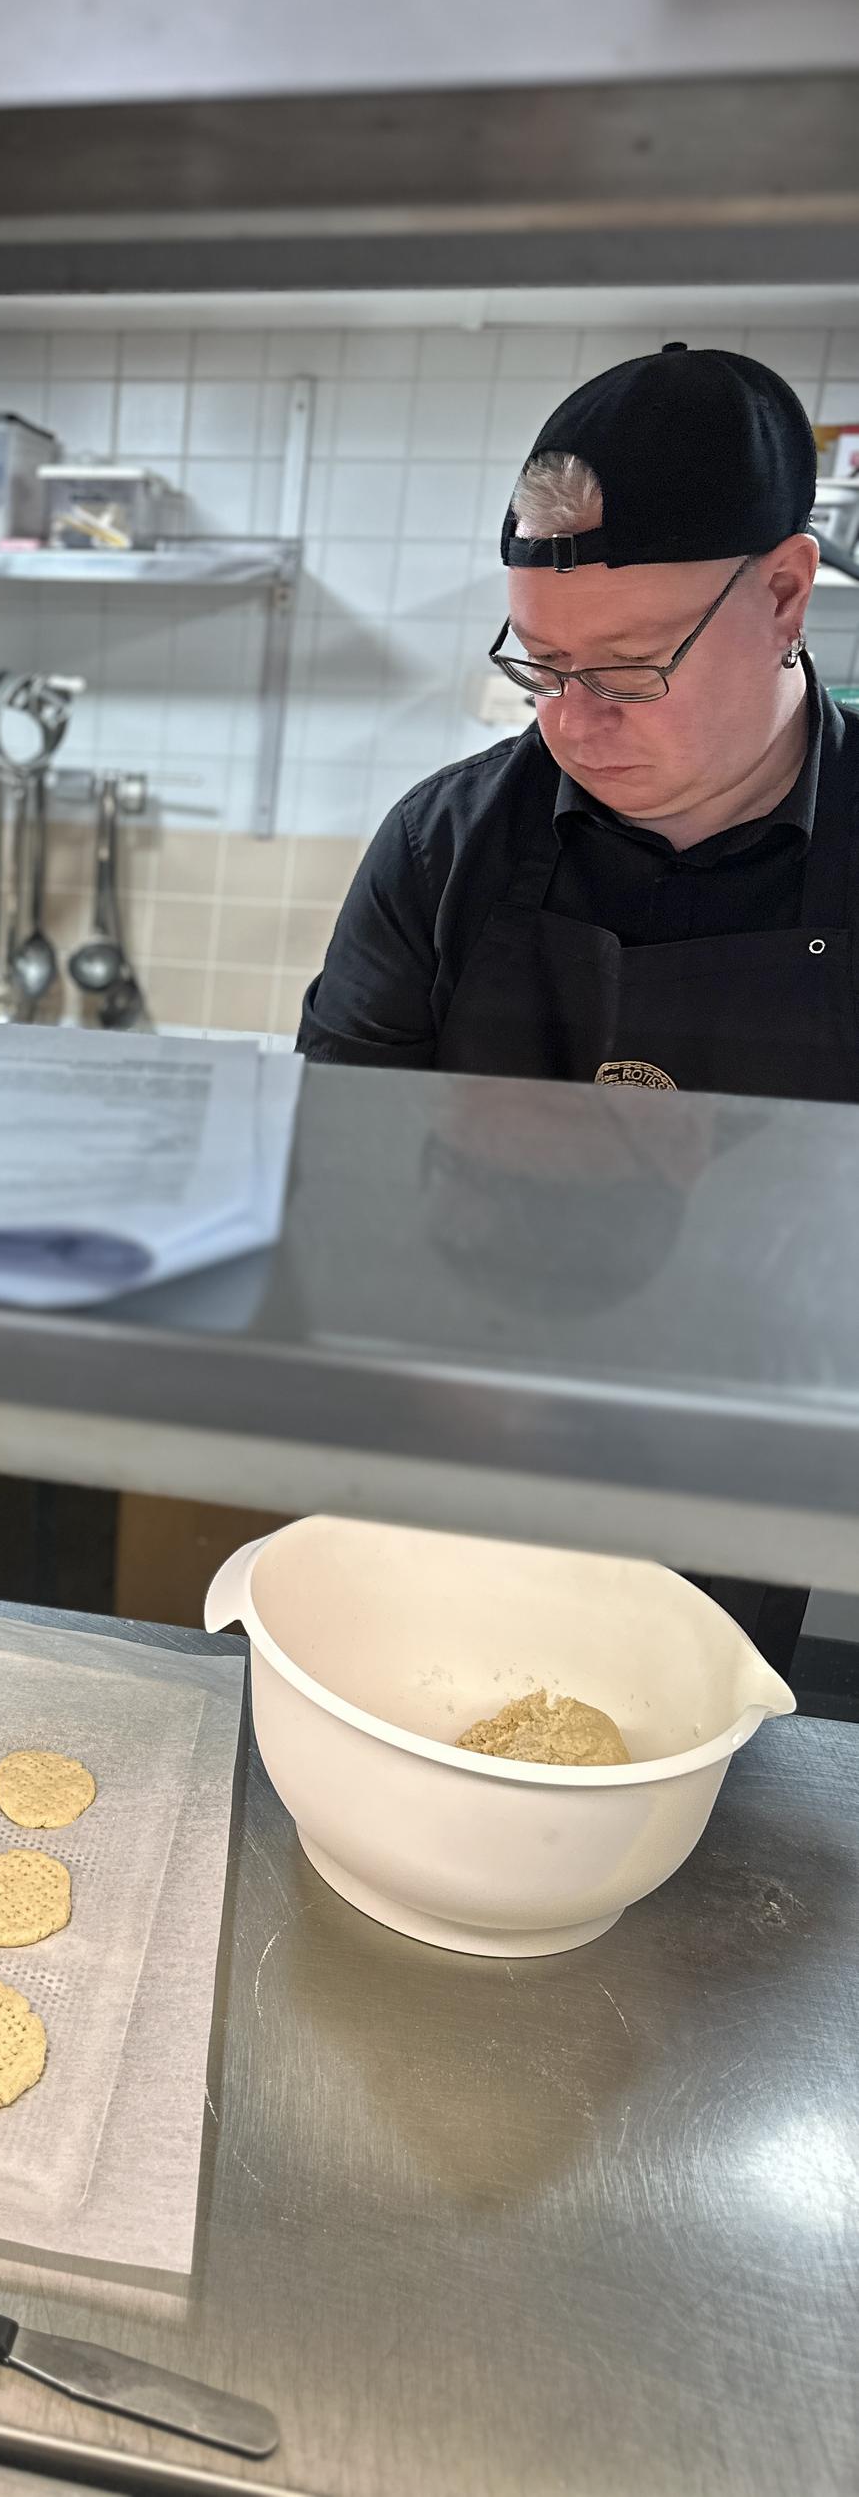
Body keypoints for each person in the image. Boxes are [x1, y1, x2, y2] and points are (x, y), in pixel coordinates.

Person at [300, 339, 845, 1668]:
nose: (573, 723)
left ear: (783, 593)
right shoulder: (441, 846)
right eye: (541, 668)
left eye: (628, 669)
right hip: (448, 1448)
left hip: (742, 1483)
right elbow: (336, 1174)